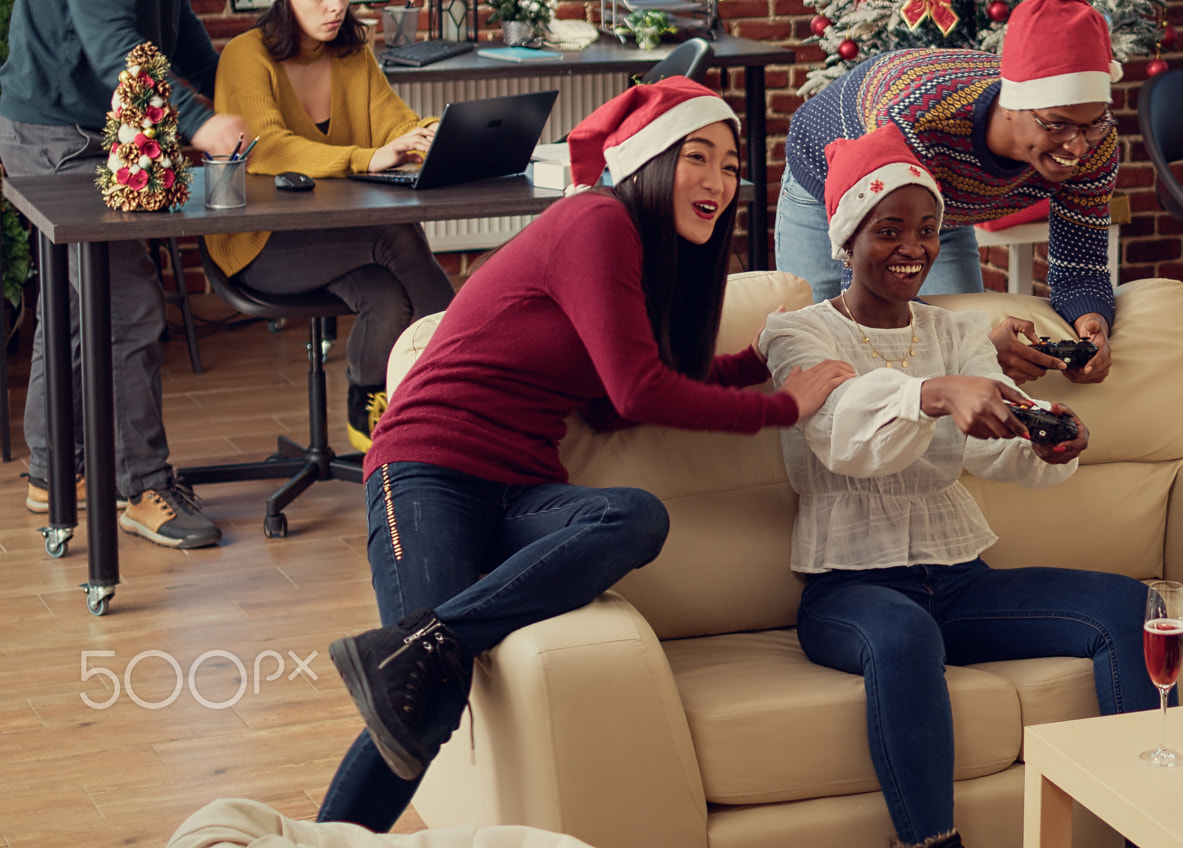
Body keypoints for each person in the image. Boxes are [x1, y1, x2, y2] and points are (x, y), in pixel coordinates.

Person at [315, 79, 856, 831]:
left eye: (732, 166)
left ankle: (424, 639)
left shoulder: (644, 256)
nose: (719, 181)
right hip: (427, 469)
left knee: (630, 518)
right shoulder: (595, 222)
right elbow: (639, 393)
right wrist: (780, 409)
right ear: (648, 161)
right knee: (427, 689)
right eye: (698, 156)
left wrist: (767, 361)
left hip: (521, 487)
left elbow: (635, 382)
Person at [761, 126, 1153, 848]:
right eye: (889, 230)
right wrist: (936, 394)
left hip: (962, 581)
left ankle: (1152, 824)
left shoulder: (956, 333)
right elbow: (840, 432)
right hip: (851, 592)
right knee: (906, 632)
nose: (913, 246)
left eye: (928, 230)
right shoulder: (795, 336)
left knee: (1132, 607)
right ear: (845, 238)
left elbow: (996, 448)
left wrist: (1050, 438)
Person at [0, 0, 249, 547]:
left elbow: (181, 41)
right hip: (59, 136)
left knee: (79, 315)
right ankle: (141, 488)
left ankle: (51, 475)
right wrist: (201, 124)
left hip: (87, 130)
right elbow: (120, 54)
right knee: (130, 307)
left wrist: (247, 95)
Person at [778, 0, 1121, 386]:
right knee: (827, 349)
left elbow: (1081, 267)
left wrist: (1092, 321)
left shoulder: (1094, 144)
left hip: (934, 196)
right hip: (831, 173)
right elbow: (872, 303)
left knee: (954, 361)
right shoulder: (916, 123)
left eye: (1092, 123)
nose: (1077, 146)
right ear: (1012, 105)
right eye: (1056, 125)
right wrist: (978, 345)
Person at [205, 0, 453, 451]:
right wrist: (365, 158)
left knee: (387, 297)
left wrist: (432, 136)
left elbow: (395, 122)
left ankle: (366, 409)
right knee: (397, 233)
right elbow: (264, 146)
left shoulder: (352, 54)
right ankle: (467, 379)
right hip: (260, 244)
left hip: (337, 232)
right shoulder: (246, 57)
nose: (336, 5)